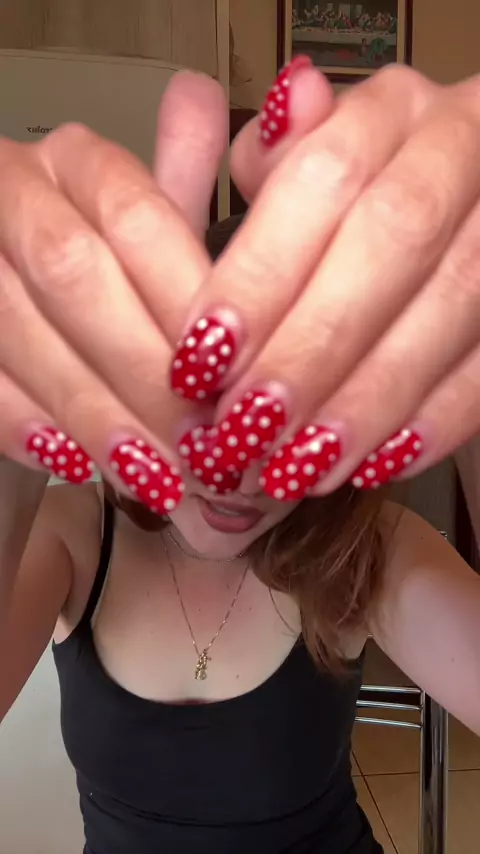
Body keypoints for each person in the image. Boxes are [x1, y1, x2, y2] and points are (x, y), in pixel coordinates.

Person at [0, 64, 479, 854]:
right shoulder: (77, 529)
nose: (240, 473)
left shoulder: (361, 548)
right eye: (209, 410)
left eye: (283, 421)